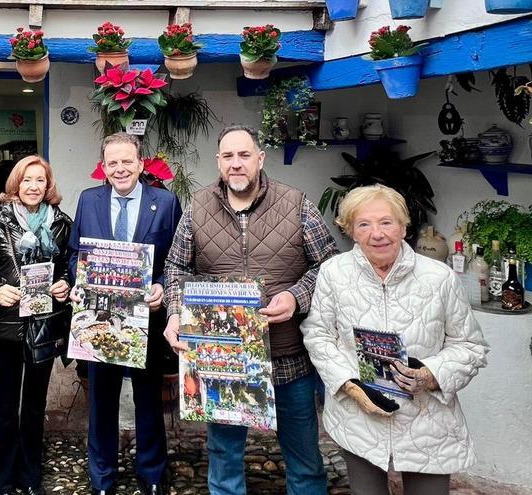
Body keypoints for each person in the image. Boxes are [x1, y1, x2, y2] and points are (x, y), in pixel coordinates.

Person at [163, 124, 339, 495]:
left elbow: (330, 266)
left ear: (260, 159)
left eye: (244, 155)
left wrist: (296, 297)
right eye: (228, 156)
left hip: (289, 358)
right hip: (222, 361)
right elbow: (176, 268)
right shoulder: (197, 207)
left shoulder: (296, 204)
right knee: (224, 459)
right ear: (218, 162)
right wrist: (175, 313)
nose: (236, 164)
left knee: (305, 462)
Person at [300, 184, 489, 495]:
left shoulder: (439, 278)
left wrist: (430, 375)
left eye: (387, 222)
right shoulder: (334, 273)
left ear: (403, 226)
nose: (377, 234)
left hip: (427, 422)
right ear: (351, 231)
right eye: (364, 224)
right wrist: (349, 384)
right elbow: (318, 333)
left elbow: (471, 346)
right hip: (359, 417)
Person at [69, 132, 182, 495]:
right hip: (100, 318)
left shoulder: (164, 202)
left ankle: (151, 473)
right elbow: (75, 254)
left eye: (126, 161)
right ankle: (101, 475)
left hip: (145, 320)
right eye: (112, 162)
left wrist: (163, 286)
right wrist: (80, 280)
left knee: (149, 398)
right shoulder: (88, 200)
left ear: (140, 163)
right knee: (102, 401)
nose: (119, 169)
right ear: (104, 166)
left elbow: (178, 259)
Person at [0, 155, 73, 495]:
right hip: (5, 326)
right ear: (15, 185)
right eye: (27, 180)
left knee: (35, 403)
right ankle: (2, 477)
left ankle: (30, 474)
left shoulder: (62, 223)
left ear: (48, 186)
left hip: (45, 324)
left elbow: (67, 266)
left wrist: (64, 284)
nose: (34, 187)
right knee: (6, 402)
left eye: (40, 181)